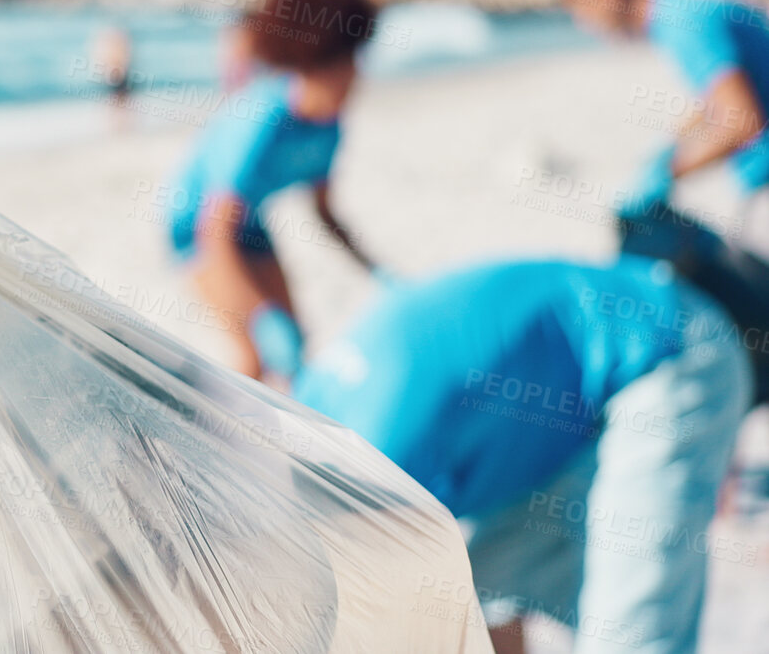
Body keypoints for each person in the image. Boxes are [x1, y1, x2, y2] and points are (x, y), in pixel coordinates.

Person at [289, 252, 754, 654]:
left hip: (664, 350)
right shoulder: (310, 420)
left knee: (630, 635)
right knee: (479, 594)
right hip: (555, 402)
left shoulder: (376, 464)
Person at [164, 0, 379, 379]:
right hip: (195, 225)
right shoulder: (261, 121)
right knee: (256, 355)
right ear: (320, 64)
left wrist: (374, 270)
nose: (358, 75)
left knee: (297, 352)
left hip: (248, 224)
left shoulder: (330, 127)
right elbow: (215, 235)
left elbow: (326, 214)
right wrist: (262, 317)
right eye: (349, 62)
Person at [561, 0, 769, 254]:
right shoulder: (679, 6)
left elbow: (742, 121)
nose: (580, 22)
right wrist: (673, 144)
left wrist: (668, 173)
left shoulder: (683, 23)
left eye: (577, 4)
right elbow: (721, 97)